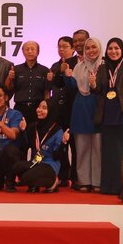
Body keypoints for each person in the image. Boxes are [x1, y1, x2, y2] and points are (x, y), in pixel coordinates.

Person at [94, 38, 123, 195]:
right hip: (106, 116)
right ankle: (108, 187)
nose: (113, 51)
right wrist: (93, 84)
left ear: (122, 50)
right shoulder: (102, 68)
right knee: (108, 154)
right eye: (110, 48)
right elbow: (98, 90)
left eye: (116, 48)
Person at [64, 37, 102, 192]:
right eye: (88, 48)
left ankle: (98, 181)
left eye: (94, 47)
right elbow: (73, 88)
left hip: (98, 108)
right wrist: (67, 77)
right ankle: (84, 181)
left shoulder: (104, 67)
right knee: (82, 147)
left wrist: (95, 84)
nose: (91, 50)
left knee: (98, 148)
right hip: (81, 108)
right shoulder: (78, 67)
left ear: (99, 48)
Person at [12, 99, 68, 193]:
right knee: (16, 167)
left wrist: (63, 142)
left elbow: (56, 156)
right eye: (39, 107)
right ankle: (33, 184)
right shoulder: (33, 126)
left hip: (49, 164)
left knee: (27, 177)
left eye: (44, 108)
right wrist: (23, 130)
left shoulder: (57, 131)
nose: (39, 110)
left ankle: (53, 182)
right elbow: (25, 146)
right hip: (35, 161)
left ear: (51, 111)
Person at [49, 35, 79, 187]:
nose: (61, 49)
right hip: (57, 110)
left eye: (65, 46)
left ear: (73, 49)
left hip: (72, 109)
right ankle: (63, 175)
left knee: (75, 145)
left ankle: (76, 176)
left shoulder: (77, 64)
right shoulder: (55, 65)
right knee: (60, 144)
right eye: (59, 46)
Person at [5, 41, 51, 124]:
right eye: (27, 49)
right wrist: (10, 78)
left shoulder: (45, 70)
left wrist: (46, 108)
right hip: (20, 108)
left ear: (38, 52)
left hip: (37, 108)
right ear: (23, 52)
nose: (30, 51)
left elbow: (47, 92)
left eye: (32, 49)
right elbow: (8, 88)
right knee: (19, 130)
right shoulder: (16, 69)